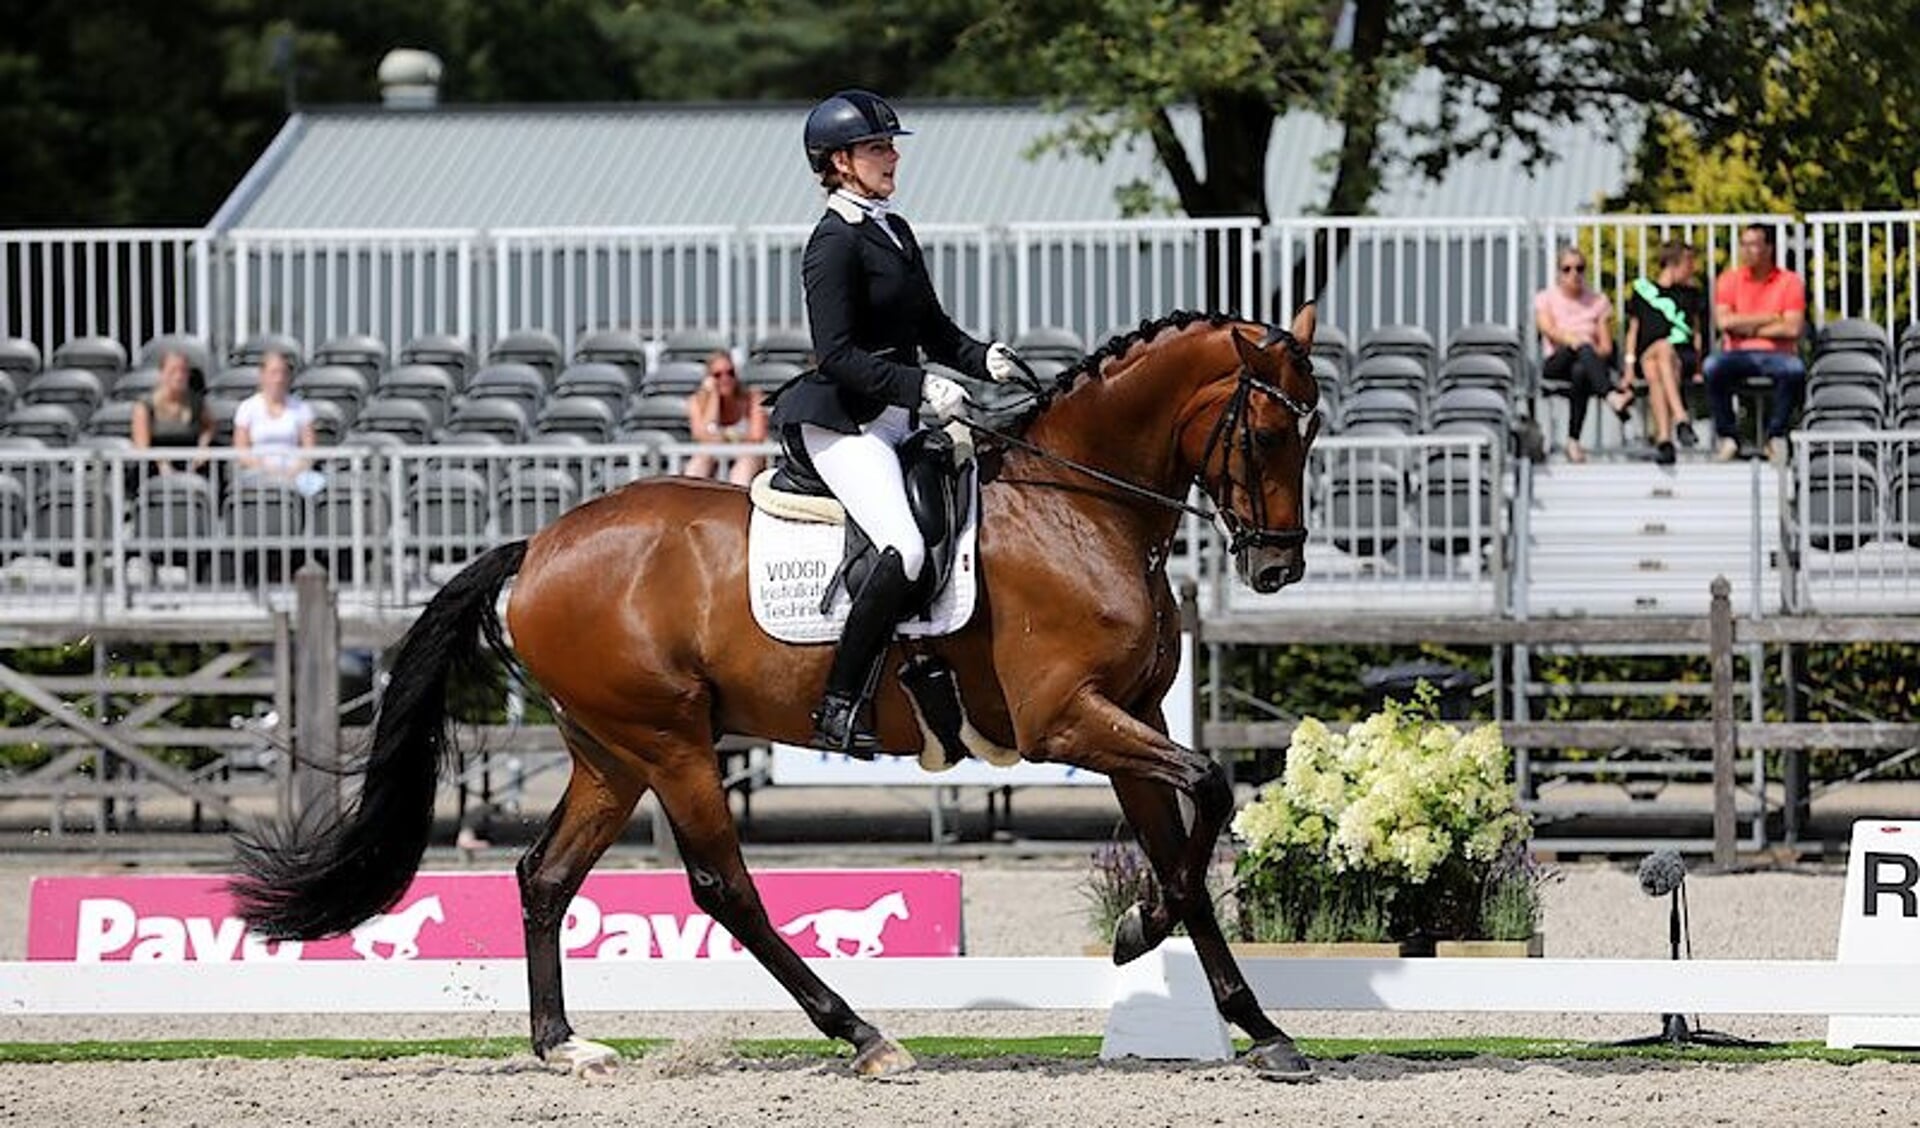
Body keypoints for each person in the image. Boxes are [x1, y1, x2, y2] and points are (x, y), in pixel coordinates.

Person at [775, 89, 1026, 753]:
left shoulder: (894, 229)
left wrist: (982, 358)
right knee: (906, 548)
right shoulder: (831, 245)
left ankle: (929, 668)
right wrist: (922, 387)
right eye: (877, 148)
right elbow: (837, 355)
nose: (892, 157)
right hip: (846, 423)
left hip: (900, 418)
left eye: (891, 146)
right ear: (838, 162)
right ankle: (837, 705)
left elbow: (933, 330)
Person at [1704, 223, 1807, 464]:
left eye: (1754, 245)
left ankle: (1776, 436)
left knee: (1794, 371)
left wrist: (1744, 326)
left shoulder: (1789, 282)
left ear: (1769, 248)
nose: (1747, 250)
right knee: (1712, 367)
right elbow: (1723, 322)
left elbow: (1792, 328)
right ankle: (1728, 436)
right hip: (1736, 354)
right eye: (1744, 244)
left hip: (1778, 354)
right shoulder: (1729, 280)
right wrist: (1771, 318)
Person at [1619, 240, 1707, 465]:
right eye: (1689, 263)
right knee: (1659, 351)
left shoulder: (1691, 294)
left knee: (1659, 360)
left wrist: (1698, 367)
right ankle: (1681, 419)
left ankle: (1665, 439)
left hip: (1681, 357)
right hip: (1649, 354)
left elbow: (1696, 333)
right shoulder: (1642, 290)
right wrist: (1628, 368)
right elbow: (1633, 330)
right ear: (1673, 263)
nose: (1693, 268)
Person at [1533, 246, 1616, 463]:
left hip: (1586, 365)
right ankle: (1610, 395)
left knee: (1581, 372)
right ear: (1558, 273)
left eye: (1579, 269)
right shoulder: (1545, 298)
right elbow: (1548, 330)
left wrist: (1587, 351)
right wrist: (1577, 342)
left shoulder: (1598, 301)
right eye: (1567, 269)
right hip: (1557, 361)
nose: (1574, 275)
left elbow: (1606, 347)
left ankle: (1573, 442)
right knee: (1582, 347)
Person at [233, 349, 321, 493]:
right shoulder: (247, 407)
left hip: (295, 473)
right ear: (262, 375)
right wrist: (265, 469)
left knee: (318, 486)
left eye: (283, 373)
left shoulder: (302, 408)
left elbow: (309, 449)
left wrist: (295, 470)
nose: (279, 379)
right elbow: (241, 449)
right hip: (258, 472)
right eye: (274, 373)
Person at [685, 350, 769, 485]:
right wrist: (714, 397)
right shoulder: (696, 401)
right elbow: (701, 435)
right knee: (697, 465)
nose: (726, 379)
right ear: (709, 378)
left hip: (748, 453)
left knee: (743, 468)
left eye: (730, 373)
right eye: (718, 375)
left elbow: (757, 436)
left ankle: (736, 503)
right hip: (714, 454)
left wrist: (727, 438)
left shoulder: (752, 398)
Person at [130, 348, 215, 473]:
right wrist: (161, 463)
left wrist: (203, 446)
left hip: (190, 465)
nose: (179, 376)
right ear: (162, 373)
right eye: (173, 371)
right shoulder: (145, 405)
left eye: (183, 371)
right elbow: (142, 445)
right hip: (154, 466)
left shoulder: (196, 402)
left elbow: (209, 427)